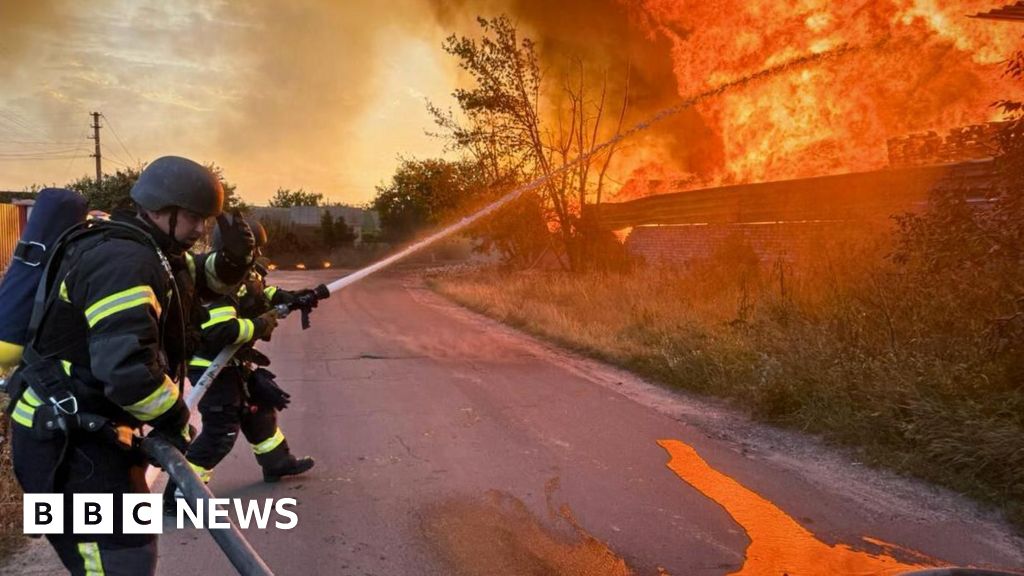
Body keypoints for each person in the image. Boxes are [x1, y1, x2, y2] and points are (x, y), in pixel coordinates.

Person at [7, 156, 255, 575]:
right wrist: (174, 419)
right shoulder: (124, 263)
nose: (200, 230)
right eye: (194, 218)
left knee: (131, 554)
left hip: (91, 433)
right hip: (68, 448)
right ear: (161, 209)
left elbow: (191, 279)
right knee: (119, 564)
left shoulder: (150, 250)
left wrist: (233, 262)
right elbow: (126, 370)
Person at [174, 220, 314, 505]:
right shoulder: (217, 282)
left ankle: (276, 461)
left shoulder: (243, 273)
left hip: (234, 363)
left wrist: (290, 298)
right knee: (221, 430)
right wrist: (259, 325)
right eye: (253, 249)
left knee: (257, 409)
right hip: (212, 367)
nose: (256, 254)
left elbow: (257, 294)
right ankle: (181, 493)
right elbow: (218, 334)